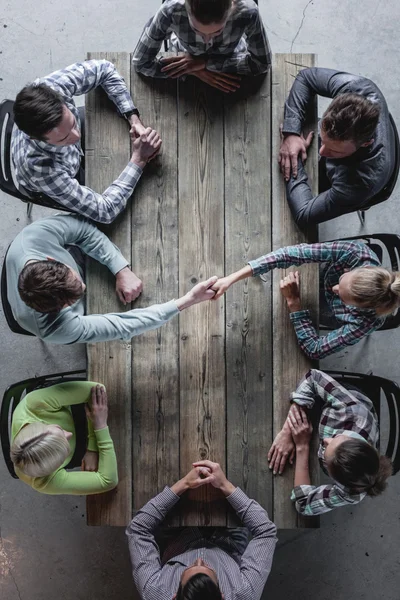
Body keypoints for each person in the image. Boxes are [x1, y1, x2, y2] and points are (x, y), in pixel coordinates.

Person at [6, 213, 218, 344]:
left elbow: (83, 230)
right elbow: (122, 325)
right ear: (58, 310)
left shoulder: (32, 236)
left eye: (75, 280)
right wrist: (189, 299)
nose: (83, 285)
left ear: (52, 259)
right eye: (71, 301)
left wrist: (121, 269)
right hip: (46, 322)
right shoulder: (54, 329)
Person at [12, 59, 162, 223]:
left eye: (72, 124)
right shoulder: (41, 169)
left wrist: (133, 119)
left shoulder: (52, 88)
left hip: (66, 158)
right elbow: (105, 211)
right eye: (64, 138)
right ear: (36, 138)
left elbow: (105, 69)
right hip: (59, 177)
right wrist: (139, 159)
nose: (77, 136)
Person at [211, 240, 400, 359]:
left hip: (324, 313)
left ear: (361, 307)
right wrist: (231, 279)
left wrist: (295, 304)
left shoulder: (367, 322)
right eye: (341, 280)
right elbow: (290, 254)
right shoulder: (356, 253)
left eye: (342, 296)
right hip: (315, 275)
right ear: (360, 269)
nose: (335, 288)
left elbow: (315, 349)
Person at [126, 460, 277, 599]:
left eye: (190, 568)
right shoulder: (243, 594)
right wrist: (225, 485)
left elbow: (138, 529)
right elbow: (265, 532)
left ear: (173, 597)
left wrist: (183, 484)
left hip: (176, 536)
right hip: (229, 540)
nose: (199, 560)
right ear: (223, 596)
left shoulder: (156, 593)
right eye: (208, 567)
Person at [278, 68, 396, 227]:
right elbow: (306, 78)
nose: (322, 151)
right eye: (324, 140)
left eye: (334, 150)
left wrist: (294, 157)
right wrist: (291, 133)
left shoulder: (360, 182)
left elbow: (304, 214)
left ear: (365, 143)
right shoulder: (358, 88)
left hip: (357, 182)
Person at [268, 369, 392, 516]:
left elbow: (303, 504)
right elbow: (313, 377)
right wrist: (288, 430)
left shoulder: (351, 493)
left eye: (326, 452)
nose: (326, 440)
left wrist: (302, 446)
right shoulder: (350, 409)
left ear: (334, 478)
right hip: (352, 398)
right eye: (336, 439)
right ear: (354, 441)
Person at [133, 0, 271, 94]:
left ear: (232, 9)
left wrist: (205, 63)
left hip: (232, 59)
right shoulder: (171, 10)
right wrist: (193, 70)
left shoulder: (248, 11)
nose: (206, 40)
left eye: (217, 31)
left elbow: (262, 64)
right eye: (196, 30)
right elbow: (141, 62)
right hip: (182, 55)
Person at [11, 382, 119, 495]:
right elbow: (109, 481)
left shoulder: (33, 405)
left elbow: (97, 389)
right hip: (84, 432)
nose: (69, 434)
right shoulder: (44, 482)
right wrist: (100, 426)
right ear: (54, 468)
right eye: (64, 450)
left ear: (41, 424)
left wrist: (92, 445)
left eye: (58, 429)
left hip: (75, 411)